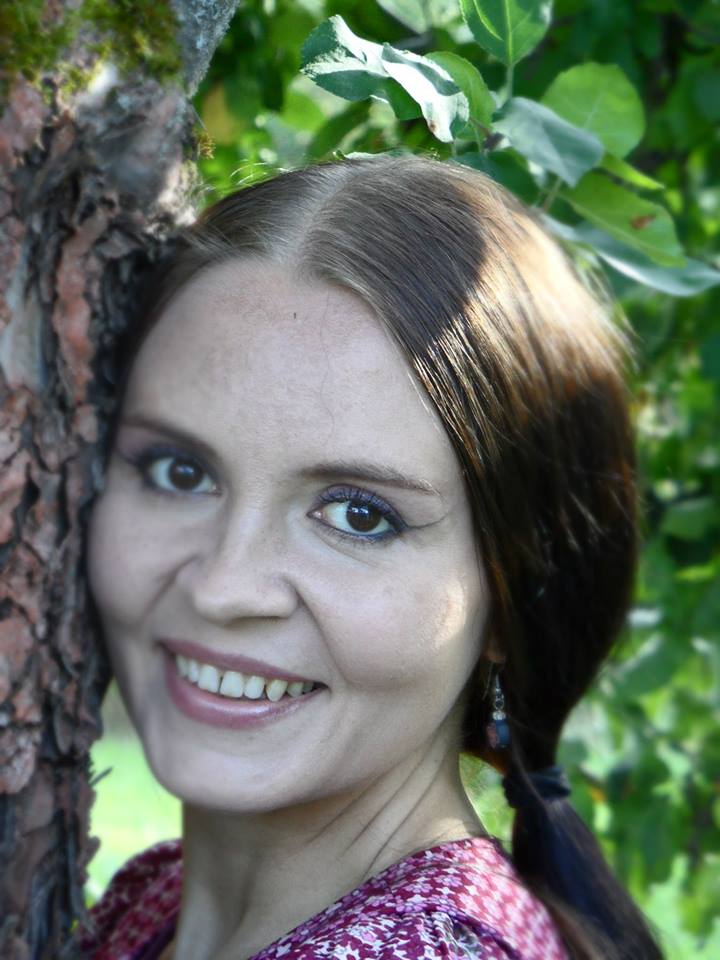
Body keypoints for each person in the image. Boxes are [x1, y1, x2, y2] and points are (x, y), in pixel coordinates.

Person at [80, 155, 664, 960]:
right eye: (181, 472)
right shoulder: (155, 899)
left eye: (358, 515)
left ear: (514, 590)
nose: (224, 585)